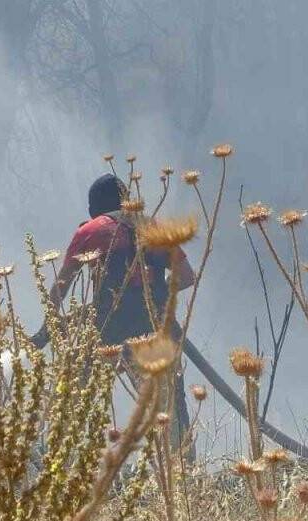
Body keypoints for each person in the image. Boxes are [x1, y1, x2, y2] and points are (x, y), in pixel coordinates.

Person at [39, 173, 196, 449]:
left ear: (93, 209)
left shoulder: (90, 230)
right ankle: (184, 480)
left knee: (72, 401)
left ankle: (63, 463)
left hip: (107, 334)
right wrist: (155, 296)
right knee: (169, 415)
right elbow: (186, 277)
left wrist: (45, 331)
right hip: (155, 333)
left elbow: (62, 284)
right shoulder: (153, 227)